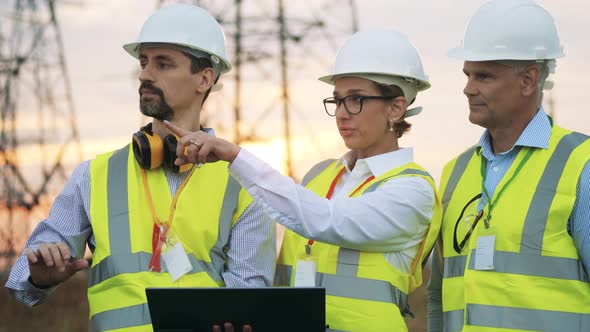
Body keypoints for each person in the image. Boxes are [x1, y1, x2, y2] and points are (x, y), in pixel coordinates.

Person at [5, 4, 276, 331]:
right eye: (144, 63)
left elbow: (249, 295)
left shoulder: (245, 183)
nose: (146, 74)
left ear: (205, 78)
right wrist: (39, 277)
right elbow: (21, 281)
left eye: (163, 64)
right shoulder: (93, 176)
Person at [165, 28, 443, 331]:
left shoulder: (412, 190)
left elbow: (328, 220)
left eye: (356, 99)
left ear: (396, 107)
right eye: (337, 101)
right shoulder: (320, 176)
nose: (342, 114)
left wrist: (236, 157)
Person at [427, 0, 590, 331]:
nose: (468, 88)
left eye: (484, 76)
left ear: (529, 80)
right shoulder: (454, 174)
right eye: (468, 74)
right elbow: (438, 298)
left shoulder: (581, 165)